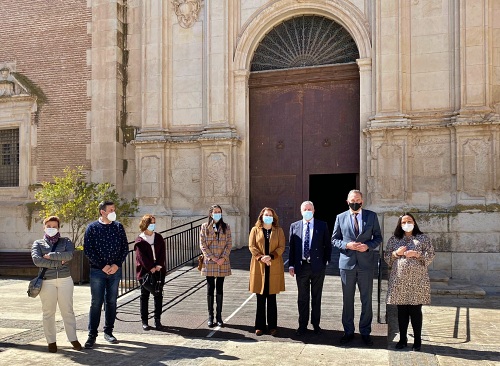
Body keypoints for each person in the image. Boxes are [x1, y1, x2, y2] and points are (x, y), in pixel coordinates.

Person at [331, 189, 383, 346]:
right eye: (352, 200)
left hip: (366, 265)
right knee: (348, 300)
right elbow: (334, 239)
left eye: (358, 200)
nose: (355, 202)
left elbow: (378, 237)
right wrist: (347, 244)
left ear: (362, 201)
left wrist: (367, 246)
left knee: (366, 300)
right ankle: (348, 331)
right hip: (347, 265)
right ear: (347, 201)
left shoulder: (371, 216)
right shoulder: (340, 217)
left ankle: (365, 332)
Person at [31, 216, 82, 353]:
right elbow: (37, 260)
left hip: (65, 280)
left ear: (58, 228)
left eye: (54, 226)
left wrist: (51, 255)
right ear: (44, 227)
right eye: (49, 226)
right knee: (48, 312)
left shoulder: (66, 241)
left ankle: (73, 338)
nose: (51, 229)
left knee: (68, 311)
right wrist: (59, 262)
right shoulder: (38, 243)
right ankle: (51, 341)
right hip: (47, 281)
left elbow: (70, 255)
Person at [385, 213, 435, 351]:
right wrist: (397, 253)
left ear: (414, 222)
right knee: (401, 312)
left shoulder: (423, 238)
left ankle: (417, 340)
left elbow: (431, 255)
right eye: (404, 222)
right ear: (400, 224)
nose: (407, 224)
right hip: (399, 281)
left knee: (415, 311)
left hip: (417, 281)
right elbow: (387, 258)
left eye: (409, 221)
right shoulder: (394, 239)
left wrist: (417, 254)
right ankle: (402, 339)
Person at [83, 200, 129, 349]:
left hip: (115, 271)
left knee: (112, 301)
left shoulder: (118, 227)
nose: (113, 212)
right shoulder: (92, 228)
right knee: (96, 302)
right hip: (98, 271)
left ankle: (108, 332)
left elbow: (124, 247)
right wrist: (103, 266)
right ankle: (92, 335)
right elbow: (88, 250)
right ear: (102, 212)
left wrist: (116, 264)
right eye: (110, 210)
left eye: (114, 209)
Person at [288, 201, 332, 336]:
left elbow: (327, 245)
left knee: (316, 297)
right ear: (301, 211)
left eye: (309, 209)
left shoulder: (322, 225)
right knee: (302, 297)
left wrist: (325, 262)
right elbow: (292, 248)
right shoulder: (294, 226)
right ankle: (302, 325)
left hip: (317, 267)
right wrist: (291, 265)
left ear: (314, 211)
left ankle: (316, 324)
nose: (307, 211)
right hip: (301, 267)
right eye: (305, 209)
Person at [249, 207, 285, 336]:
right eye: (266, 215)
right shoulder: (255, 230)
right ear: (261, 216)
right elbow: (251, 246)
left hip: (274, 264)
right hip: (259, 265)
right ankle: (259, 326)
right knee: (260, 298)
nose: (268, 216)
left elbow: (282, 246)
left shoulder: (278, 230)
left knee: (271, 298)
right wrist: (261, 257)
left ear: (274, 217)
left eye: (270, 215)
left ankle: (273, 327)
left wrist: (271, 256)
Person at [199, 204, 232, 327]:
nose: (217, 213)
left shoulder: (226, 227)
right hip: (210, 261)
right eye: (215, 212)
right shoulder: (204, 227)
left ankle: (219, 316)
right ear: (211, 214)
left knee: (220, 288)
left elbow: (229, 244)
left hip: (222, 261)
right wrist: (212, 257)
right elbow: (202, 244)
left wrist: (223, 258)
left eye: (219, 211)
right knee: (210, 288)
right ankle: (210, 316)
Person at [134, 214, 167, 330]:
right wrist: (150, 267)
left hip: (159, 270)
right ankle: (145, 321)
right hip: (145, 272)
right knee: (144, 295)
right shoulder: (140, 240)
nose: (153, 225)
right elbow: (140, 257)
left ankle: (157, 320)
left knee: (158, 294)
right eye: (151, 223)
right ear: (145, 224)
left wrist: (159, 265)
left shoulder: (158, 237)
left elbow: (162, 252)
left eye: (154, 223)